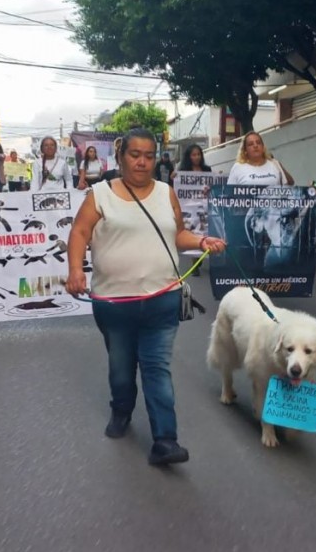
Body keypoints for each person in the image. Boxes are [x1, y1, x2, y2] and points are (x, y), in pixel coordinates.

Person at [65, 127, 226, 466]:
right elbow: (79, 232)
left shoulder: (167, 192)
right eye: (135, 155)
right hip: (113, 304)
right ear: (121, 156)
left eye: (149, 156)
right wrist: (76, 270)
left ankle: (165, 440)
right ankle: (121, 409)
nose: (142, 162)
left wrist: (200, 241)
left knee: (157, 369)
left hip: (161, 300)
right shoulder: (100, 194)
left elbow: (177, 232)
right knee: (122, 368)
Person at [174, 144, 213, 276]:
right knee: (193, 232)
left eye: (198, 154)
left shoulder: (207, 170)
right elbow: (177, 186)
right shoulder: (183, 170)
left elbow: (211, 184)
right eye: (193, 155)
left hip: (203, 205)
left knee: (203, 231)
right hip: (189, 206)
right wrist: (174, 177)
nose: (196, 157)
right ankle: (194, 262)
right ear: (189, 157)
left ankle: (199, 259)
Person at [227, 131, 295, 186]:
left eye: (258, 143)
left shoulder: (274, 164)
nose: (255, 146)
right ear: (245, 150)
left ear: (263, 147)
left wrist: (279, 165)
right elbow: (229, 194)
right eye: (251, 144)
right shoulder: (238, 167)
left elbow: (290, 184)